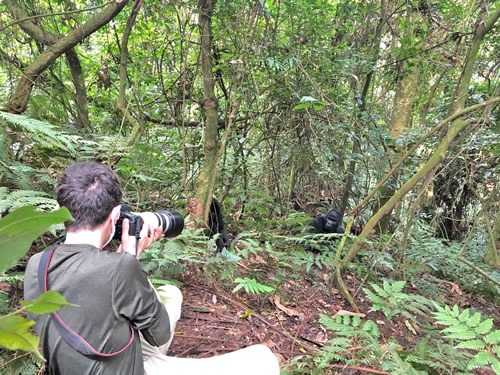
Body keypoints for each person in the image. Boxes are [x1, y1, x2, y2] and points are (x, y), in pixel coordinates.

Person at [24, 161, 280, 374]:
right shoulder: (120, 268)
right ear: (115, 216)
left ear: (59, 210)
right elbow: (159, 333)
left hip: (81, 362)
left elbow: (88, 288)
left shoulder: (37, 264)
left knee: (172, 293)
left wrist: (125, 261)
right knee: (264, 360)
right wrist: (129, 258)